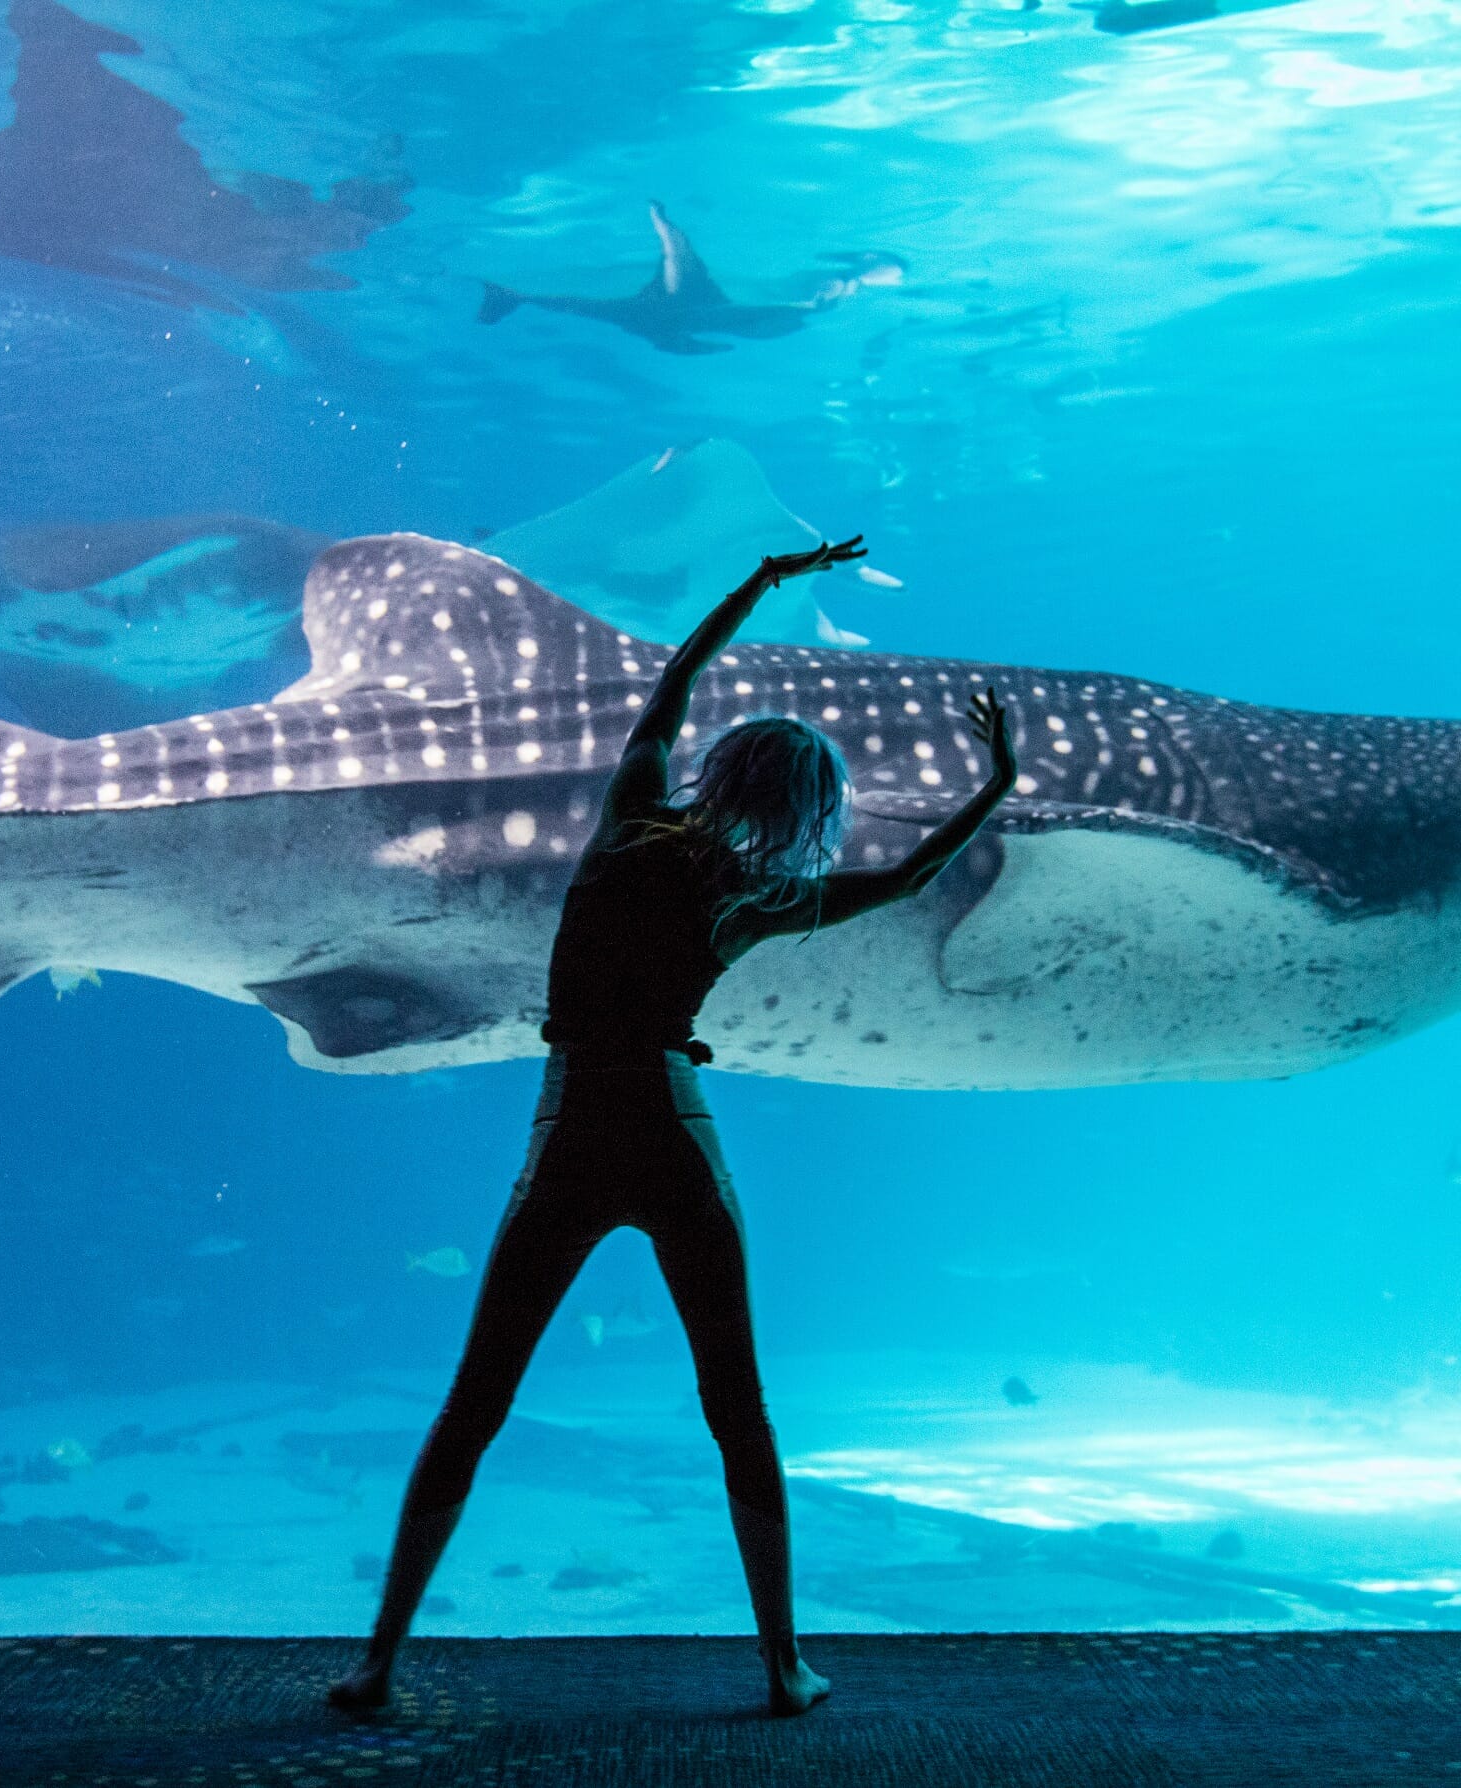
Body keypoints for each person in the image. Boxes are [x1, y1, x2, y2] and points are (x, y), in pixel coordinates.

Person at [328, 536, 1019, 1718]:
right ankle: (782, 1666)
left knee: (475, 1402)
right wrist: (994, 787)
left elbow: (674, 682)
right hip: (676, 1133)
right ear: (805, 810)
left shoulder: (627, 825)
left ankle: (379, 1664)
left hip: (569, 1131)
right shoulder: (752, 902)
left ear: (718, 774)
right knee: (734, 1405)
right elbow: (904, 885)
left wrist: (761, 584)